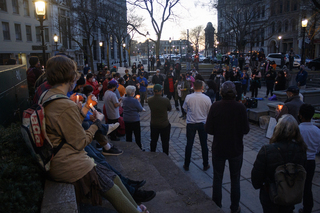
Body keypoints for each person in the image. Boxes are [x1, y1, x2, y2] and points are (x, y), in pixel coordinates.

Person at [42, 55, 150, 213]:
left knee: (114, 178)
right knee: (111, 187)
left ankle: (134, 206)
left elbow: (65, 127)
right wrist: (97, 123)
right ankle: (135, 210)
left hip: (65, 157)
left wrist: (82, 111)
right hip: (70, 163)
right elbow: (80, 142)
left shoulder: (48, 96)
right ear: (70, 76)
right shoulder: (64, 104)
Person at [205, 81, 249, 213]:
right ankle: (234, 207)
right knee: (235, 179)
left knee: (217, 178)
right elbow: (246, 130)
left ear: (221, 93)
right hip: (235, 148)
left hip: (219, 148)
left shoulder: (216, 106)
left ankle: (216, 206)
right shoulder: (240, 108)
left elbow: (209, 129)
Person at [251, 114, 307, 213]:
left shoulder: (267, 150)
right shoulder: (301, 150)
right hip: (290, 192)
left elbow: (256, 177)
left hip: (271, 193)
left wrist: (261, 185)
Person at [183, 80, 212, 171]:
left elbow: (185, 108)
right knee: (204, 145)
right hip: (203, 123)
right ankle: (205, 164)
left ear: (193, 87)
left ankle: (186, 164)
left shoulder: (188, 97)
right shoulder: (207, 98)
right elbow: (209, 111)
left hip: (191, 123)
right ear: (202, 87)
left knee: (189, 144)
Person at [298, 104, 320, 213]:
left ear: (300, 115)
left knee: (294, 184)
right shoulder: (317, 130)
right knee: (308, 186)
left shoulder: (298, 130)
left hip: (299, 160)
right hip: (311, 161)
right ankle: (308, 208)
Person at [148, 84, 172, 155]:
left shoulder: (150, 100)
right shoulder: (165, 100)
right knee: (165, 142)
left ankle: (152, 154)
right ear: (161, 91)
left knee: (153, 141)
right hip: (164, 124)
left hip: (154, 123)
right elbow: (169, 109)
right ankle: (165, 155)